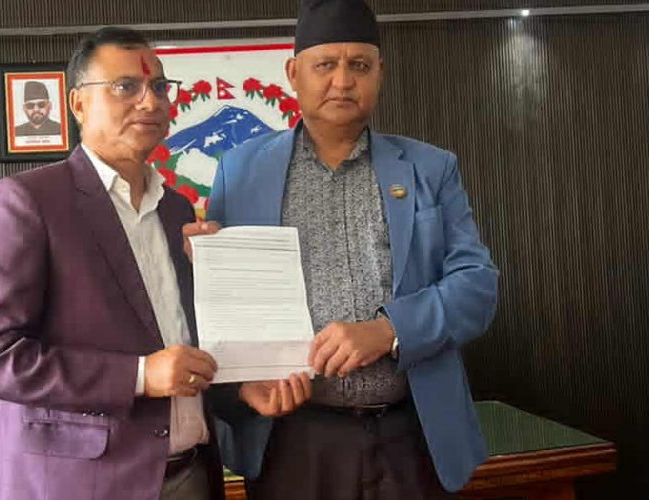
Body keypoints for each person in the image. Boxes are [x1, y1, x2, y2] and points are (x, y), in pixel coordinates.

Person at [190, 0, 499, 498]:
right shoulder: (241, 170)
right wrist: (204, 264)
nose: (343, 81)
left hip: (412, 435)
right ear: (293, 74)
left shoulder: (430, 168)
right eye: (325, 65)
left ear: (380, 72)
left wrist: (389, 330)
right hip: (293, 439)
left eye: (359, 65)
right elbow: (220, 306)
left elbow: (477, 287)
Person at [0, 27, 224, 500]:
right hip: (83, 484)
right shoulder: (30, 201)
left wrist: (214, 277)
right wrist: (139, 376)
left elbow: (178, 336)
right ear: (78, 103)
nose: (150, 101)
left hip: (191, 473)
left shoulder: (177, 211)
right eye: (125, 87)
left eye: (159, 87)